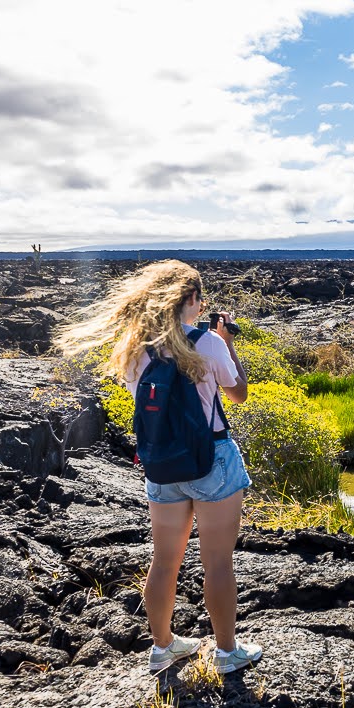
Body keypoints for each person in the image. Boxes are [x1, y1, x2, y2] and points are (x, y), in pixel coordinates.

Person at [55, 259, 262, 674]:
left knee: (165, 560)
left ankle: (163, 646)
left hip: (161, 463)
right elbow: (237, 393)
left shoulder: (134, 350)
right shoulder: (207, 343)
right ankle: (226, 653)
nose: (201, 308)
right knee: (218, 562)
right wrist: (226, 339)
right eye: (199, 301)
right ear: (189, 299)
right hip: (212, 460)